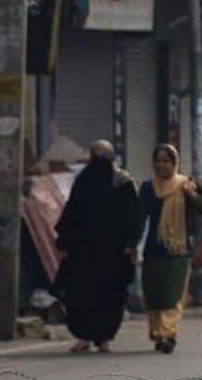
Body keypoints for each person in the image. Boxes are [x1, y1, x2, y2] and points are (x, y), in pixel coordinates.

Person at [54, 140, 142, 353]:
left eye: (104, 156)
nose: (100, 161)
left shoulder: (122, 182)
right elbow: (72, 211)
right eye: (96, 155)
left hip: (113, 252)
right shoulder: (84, 180)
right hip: (83, 251)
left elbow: (134, 216)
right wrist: (64, 242)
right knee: (80, 295)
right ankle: (83, 336)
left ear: (112, 158)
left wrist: (130, 243)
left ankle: (104, 337)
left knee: (110, 296)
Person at [139, 144, 202, 354]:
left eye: (166, 161)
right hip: (153, 249)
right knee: (154, 295)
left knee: (173, 294)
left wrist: (191, 195)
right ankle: (157, 331)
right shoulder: (147, 188)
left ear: (174, 163)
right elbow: (138, 218)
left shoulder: (185, 185)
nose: (162, 165)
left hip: (178, 250)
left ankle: (168, 334)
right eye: (158, 161)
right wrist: (131, 244)